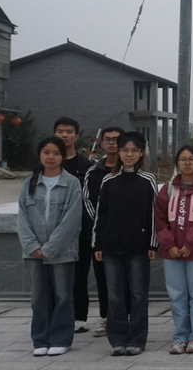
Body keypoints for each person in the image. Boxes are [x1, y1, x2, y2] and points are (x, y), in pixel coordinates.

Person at [93, 132, 158, 356]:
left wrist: (153, 244)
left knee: (139, 295)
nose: (129, 155)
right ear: (119, 152)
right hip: (111, 248)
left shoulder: (148, 180)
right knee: (115, 296)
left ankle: (137, 339)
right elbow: (100, 215)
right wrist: (97, 244)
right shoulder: (108, 180)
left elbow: (153, 214)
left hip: (139, 248)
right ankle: (117, 339)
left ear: (141, 153)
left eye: (134, 150)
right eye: (125, 150)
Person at [18, 137, 84, 356]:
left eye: (56, 153)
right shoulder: (29, 183)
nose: (51, 157)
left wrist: (49, 248)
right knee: (38, 298)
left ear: (63, 156)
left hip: (62, 252)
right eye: (46, 152)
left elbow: (72, 220)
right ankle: (40, 340)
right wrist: (32, 246)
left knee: (63, 296)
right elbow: (22, 218)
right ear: (39, 154)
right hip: (33, 252)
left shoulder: (72, 183)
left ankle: (61, 339)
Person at [155, 146, 193, 354]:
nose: (187, 163)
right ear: (177, 163)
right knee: (176, 295)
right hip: (171, 252)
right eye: (183, 159)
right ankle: (180, 336)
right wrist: (170, 245)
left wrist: (190, 244)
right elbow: (160, 220)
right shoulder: (167, 189)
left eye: (191, 159)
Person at [82, 126, 125, 338]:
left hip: (128, 235)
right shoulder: (93, 172)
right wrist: (102, 227)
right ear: (101, 143)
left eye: (116, 139)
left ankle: (126, 317)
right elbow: (88, 202)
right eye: (108, 139)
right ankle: (108, 317)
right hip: (101, 236)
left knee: (128, 279)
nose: (112, 143)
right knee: (103, 278)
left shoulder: (131, 170)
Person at [54, 117, 93, 335]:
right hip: (53, 229)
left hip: (81, 229)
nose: (64, 135)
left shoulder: (86, 166)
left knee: (80, 274)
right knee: (55, 276)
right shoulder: (49, 164)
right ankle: (56, 315)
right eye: (60, 131)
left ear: (76, 136)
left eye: (69, 131)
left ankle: (79, 316)